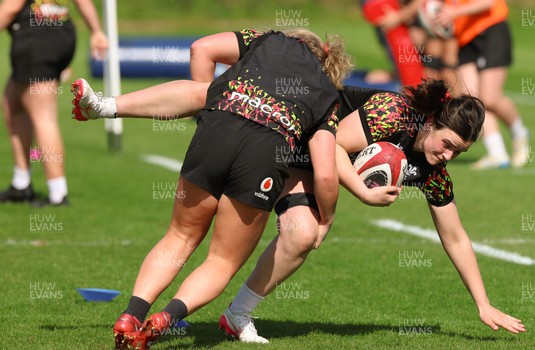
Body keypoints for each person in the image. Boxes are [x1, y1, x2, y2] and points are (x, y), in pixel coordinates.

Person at [73, 77, 526, 343]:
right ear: (431, 122)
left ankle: (236, 317)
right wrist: (338, 208)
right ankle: (112, 108)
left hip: (312, 159)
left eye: (459, 153)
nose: (448, 156)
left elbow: (455, 236)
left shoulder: (433, 168)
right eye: (447, 144)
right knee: (247, 226)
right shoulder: (393, 112)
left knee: (301, 235)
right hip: (296, 136)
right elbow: (331, 147)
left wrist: (483, 304)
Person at [73, 28, 353, 350]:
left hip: (217, 128)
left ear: (297, 40)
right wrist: (326, 219)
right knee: (221, 260)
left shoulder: (268, 38)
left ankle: (131, 314)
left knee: (179, 235)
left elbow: (200, 48)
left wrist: (206, 114)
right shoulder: (327, 94)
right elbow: (327, 176)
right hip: (264, 153)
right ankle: (167, 318)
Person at [0, 0, 108, 206]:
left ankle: (58, 192)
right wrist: (96, 31)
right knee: (12, 101)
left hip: (37, 41)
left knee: (43, 117)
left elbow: (11, 7)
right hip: (60, 34)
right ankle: (21, 184)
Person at [435, 0, 530, 169]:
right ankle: (497, 153)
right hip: (465, 39)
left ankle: (519, 133)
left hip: (491, 29)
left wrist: (453, 13)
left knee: (490, 97)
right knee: (472, 99)